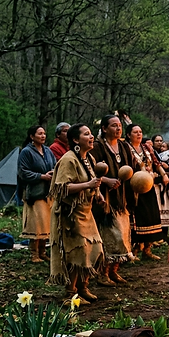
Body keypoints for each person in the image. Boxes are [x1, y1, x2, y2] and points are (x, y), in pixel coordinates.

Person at [49, 123, 105, 304]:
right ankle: (70, 293)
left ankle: (83, 287)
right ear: (75, 140)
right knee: (76, 253)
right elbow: (62, 187)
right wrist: (88, 186)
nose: (91, 137)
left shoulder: (89, 159)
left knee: (93, 249)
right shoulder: (68, 159)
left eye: (91, 134)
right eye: (86, 134)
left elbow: (93, 181)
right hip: (69, 213)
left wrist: (98, 195)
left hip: (85, 212)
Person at [90, 115, 134, 286]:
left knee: (122, 236)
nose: (118, 128)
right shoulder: (97, 147)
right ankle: (103, 273)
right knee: (110, 236)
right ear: (104, 128)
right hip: (105, 200)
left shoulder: (123, 146)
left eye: (120, 125)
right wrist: (106, 180)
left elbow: (132, 167)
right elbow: (90, 168)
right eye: (114, 125)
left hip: (121, 197)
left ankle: (114, 271)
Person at [125, 125, 165, 260]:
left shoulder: (146, 147)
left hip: (149, 185)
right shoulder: (125, 147)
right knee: (138, 217)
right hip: (135, 187)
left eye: (140, 132)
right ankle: (135, 249)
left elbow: (156, 162)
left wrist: (163, 174)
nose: (139, 134)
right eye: (135, 132)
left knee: (151, 216)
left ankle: (147, 249)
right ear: (128, 134)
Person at [17, 125, 56, 263]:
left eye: (44, 133)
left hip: (47, 192)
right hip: (34, 192)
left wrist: (52, 173)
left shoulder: (47, 151)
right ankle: (34, 254)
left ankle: (42, 252)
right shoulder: (26, 152)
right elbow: (23, 172)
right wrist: (41, 176)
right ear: (32, 136)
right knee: (36, 224)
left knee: (46, 223)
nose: (43, 136)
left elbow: (54, 165)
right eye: (40, 134)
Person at [153, 134, 169, 227]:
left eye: (161, 141)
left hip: (167, 183)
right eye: (157, 141)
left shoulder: (168, 154)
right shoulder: (152, 153)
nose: (159, 143)